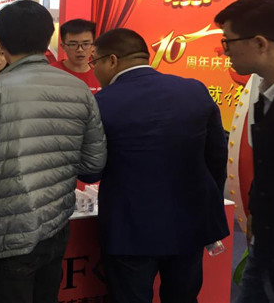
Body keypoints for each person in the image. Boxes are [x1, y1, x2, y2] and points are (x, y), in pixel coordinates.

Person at [0, 0, 107, 303]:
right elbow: (92, 165)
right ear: (49, 39)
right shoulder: (79, 90)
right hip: (56, 227)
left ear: (3, 42)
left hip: (3, 232)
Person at [91, 28, 229, 303]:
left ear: (112, 61)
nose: (93, 69)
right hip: (189, 222)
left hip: (129, 228)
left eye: (94, 61)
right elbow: (216, 155)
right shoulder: (194, 90)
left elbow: (90, 170)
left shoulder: (100, 102)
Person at [214, 0, 274, 303]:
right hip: (267, 244)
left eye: (228, 42)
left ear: (259, 43)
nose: (224, 51)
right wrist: (257, 209)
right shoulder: (268, 90)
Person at [51, 19, 102, 93]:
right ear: (63, 47)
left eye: (85, 44)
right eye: (73, 44)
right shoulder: (51, 72)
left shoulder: (101, 75)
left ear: (93, 46)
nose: (80, 50)